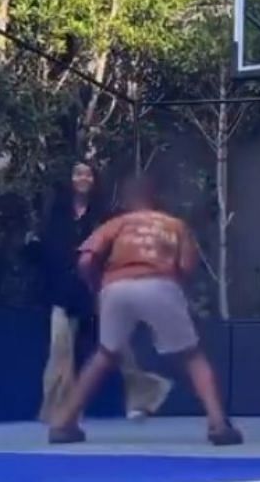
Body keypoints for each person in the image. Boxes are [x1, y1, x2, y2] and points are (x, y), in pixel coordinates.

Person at [47, 175, 241, 446]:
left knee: (104, 355)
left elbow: (85, 259)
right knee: (192, 356)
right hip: (160, 283)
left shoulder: (116, 224)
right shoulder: (175, 225)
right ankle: (218, 424)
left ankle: (64, 423)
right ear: (156, 198)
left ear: (127, 202)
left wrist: (97, 287)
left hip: (116, 286)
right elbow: (187, 266)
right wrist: (174, 292)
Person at [27, 162, 173, 423]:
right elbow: (50, 250)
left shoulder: (102, 216)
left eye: (87, 174)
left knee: (118, 347)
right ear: (70, 179)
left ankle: (147, 392)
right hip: (63, 292)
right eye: (77, 173)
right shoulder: (57, 214)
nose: (82, 178)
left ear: (94, 180)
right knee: (59, 351)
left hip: (95, 288)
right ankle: (60, 411)